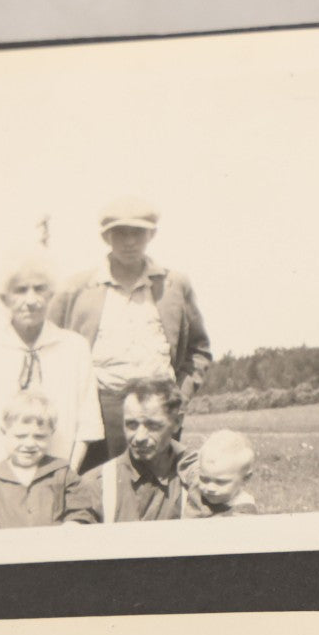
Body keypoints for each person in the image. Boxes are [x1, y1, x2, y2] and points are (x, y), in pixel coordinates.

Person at [45, 198, 212, 462]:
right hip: (100, 411)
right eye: (120, 233)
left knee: (155, 491)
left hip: (160, 407)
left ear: (152, 235)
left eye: (138, 232)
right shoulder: (76, 288)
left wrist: (179, 398)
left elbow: (198, 350)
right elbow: (49, 348)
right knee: (97, 490)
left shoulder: (174, 285)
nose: (129, 241)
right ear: (106, 237)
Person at [0, 257, 101, 501]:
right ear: (4, 298)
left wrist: (64, 480)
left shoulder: (74, 348)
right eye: (20, 291)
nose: (31, 300)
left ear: (51, 295)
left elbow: (87, 427)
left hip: (52, 487)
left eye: (39, 289)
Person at [64, 380, 195, 524]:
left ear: (177, 422)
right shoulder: (97, 484)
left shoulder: (198, 477)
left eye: (152, 425)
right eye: (131, 425)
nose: (139, 437)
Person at [0, 392, 86, 530]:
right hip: (7, 549)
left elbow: (81, 512)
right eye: (20, 436)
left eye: (39, 436)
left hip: (55, 548)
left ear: (51, 433)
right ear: (4, 432)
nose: (29, 444)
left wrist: (72, 525)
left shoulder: (62, 473)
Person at [181, 432, 258, 519]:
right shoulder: (198, 482)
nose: (210, 488)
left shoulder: (243, 511)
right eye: (204, 479)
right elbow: (183, 457)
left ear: (245, 479)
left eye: (220, 482)